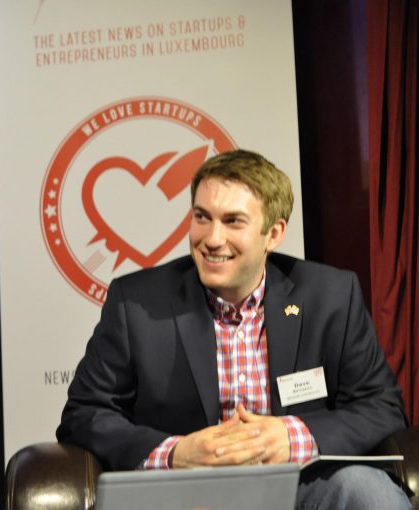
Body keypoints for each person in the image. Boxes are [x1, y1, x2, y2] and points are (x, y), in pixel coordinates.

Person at [56, 149, 411, 508]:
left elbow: (381, 405)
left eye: (233, 221)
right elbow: (84, 414)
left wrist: (293, 436)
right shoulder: (136, 303)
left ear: (273, 233)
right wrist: (175, 453)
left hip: (297, 488)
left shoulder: (331, 296)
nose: (212, 239)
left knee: (367, 491)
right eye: (202, 217)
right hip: (184, 494)